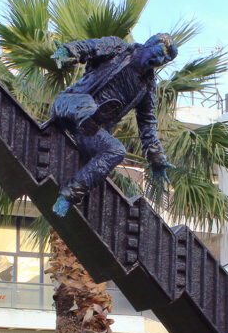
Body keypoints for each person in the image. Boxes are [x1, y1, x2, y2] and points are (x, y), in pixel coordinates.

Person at [49, 33, 177, 216]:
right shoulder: (118, 49)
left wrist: (156, 158)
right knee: (88, 104)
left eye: (165, 59)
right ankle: (91, 116)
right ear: (150, 43)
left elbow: (147, 122)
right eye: (160, 53)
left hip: (89, 133)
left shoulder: (147, 87)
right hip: (68, 106)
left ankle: (69, 196)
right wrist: (67, 51)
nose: (160, 60)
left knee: (117, 150)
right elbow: (91, 46)